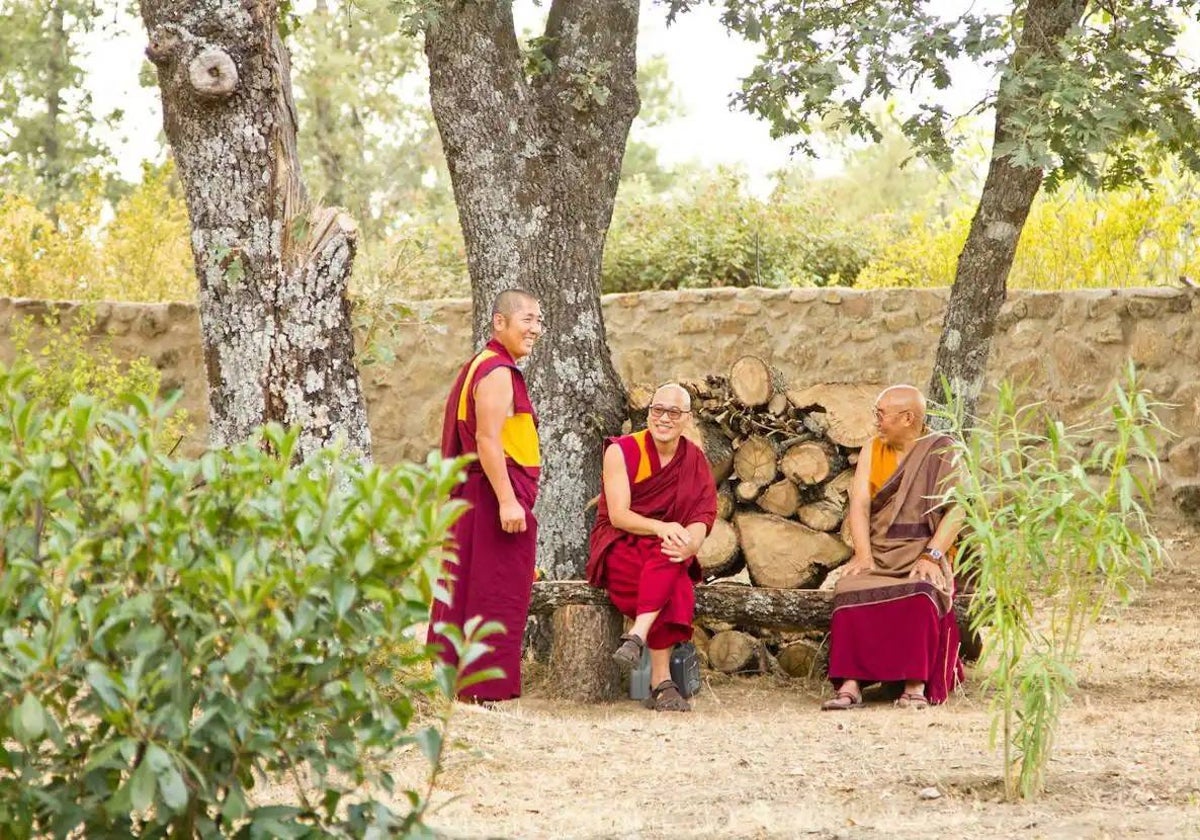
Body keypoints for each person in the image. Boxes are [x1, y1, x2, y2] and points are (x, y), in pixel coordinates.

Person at [428, 289, 544, 704]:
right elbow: (487, 439)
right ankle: (484, 689)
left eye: (539, 321)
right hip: (494, 496)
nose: (536, 329)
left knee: (469, 586)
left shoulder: (483, 364)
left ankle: (455, 685)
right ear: (500, 322)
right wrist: (509, 500)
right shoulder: (496, 371)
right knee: (496, 589)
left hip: (479, 493)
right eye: (527, 319)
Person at [821, 384, 964, 711]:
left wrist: (933, 555)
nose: (876, 422)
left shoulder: (943, 450)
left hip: (924, 553)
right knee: (850, 590)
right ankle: (851, 683)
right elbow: (859, 505)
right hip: (881, 553)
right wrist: (864, 555)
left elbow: (958, 510)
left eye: (882, 415)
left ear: (908, 418)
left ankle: (914, 685)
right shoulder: (874, 448)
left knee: (921, 594)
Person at [587, 383, 718, 712]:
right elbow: (618, 515)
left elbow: (703, 513)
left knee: (672, 557)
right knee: (675, 581)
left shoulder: (694, 459)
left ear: (687, 419)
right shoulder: (621, 451)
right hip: (621, 540)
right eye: (657, 410)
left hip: (664, 548)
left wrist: (692, 544)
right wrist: (663, 528)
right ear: (648, 414)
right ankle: (661, 682)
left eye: (674, 413)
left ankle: (638, 636)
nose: (664, 419)